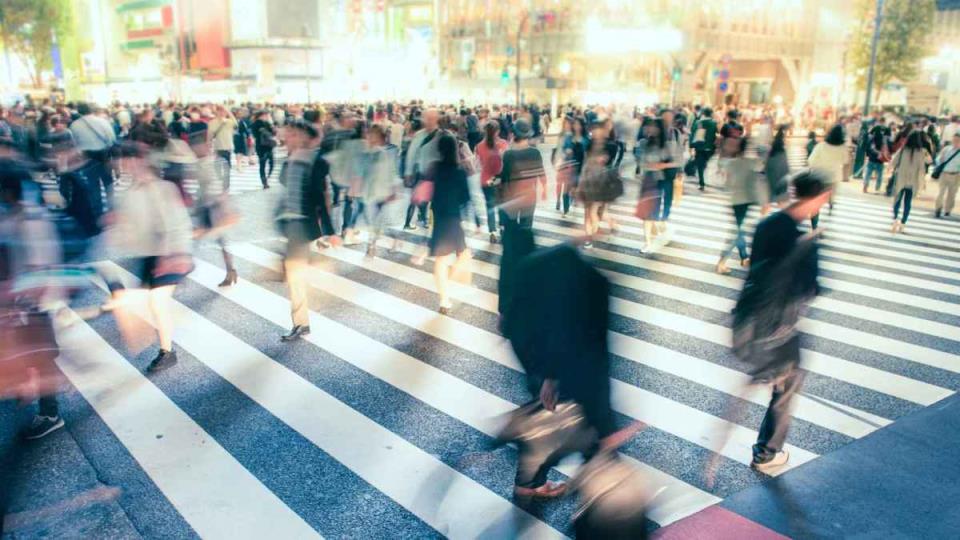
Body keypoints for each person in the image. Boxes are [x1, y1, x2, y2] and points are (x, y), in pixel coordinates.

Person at [730, 171, 831, 472]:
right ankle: (766, 453)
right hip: (782, 329)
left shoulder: (767, 225)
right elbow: (810, 290)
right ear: (819, 198)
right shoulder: (804, 242)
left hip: (752, 318)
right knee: (788, 384)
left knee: (780, 380)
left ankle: (767, 446)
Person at [110, 143, 194, 372]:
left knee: (158, 301)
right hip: (149, 257)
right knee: (150, 304)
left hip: (171, 254)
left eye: (128, 159)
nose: (124, 165)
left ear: (141, 159)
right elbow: (129, 236)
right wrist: (118, 225)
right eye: (122, 161)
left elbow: (179, 225)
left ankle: (167, 352)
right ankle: (166, 345)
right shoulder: (129, 193)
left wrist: (172, 256)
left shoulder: (164, 188)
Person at [276, 121, 339, 341]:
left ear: (303, 137)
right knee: (293, 273)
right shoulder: (291, 160)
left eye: (293, 135)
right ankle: (301, 322)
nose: (288, 138)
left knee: (294, 275)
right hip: (291, 223)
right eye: (288, 135)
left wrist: (330, 231)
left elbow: (320, 197)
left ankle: (301, 323)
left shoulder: (313, 161)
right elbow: (284, 184)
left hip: (301, 225)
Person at [497, 119, 544, 317]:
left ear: (514, 134)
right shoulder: (535, 152)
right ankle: (527, 264)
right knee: (526, 230)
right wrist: (542, 190)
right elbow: (541, 174)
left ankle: (515, 267)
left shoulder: (509, 154)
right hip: (529, 198)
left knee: (511, 236)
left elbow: (504, 178)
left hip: (512, 198)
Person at [426, 134, 472, 314]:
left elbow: (426, 191)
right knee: (464, 254)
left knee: (441, 260)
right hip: (454, 218)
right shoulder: (459, 171)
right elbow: (465, 197)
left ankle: (444, 300)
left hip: (439, 217)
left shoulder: (434, 168)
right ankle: (452, 280)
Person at [716, 137, 758, 275]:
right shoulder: (751, 163)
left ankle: (744, 257)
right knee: (738, 232)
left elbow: (727, 185)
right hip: (744, 201)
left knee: (739, 230)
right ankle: (722, 262)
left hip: (736, 201)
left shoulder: (733, 164)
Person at [579, 121, 621, 247]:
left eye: (598, 130)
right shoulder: (588, 144)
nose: (595, 133)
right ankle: (589, 237)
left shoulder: (611, 146)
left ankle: (593, 235)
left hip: (603, 183)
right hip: (588, 181)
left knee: (595, 211)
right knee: (589, 212)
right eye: (593, 130)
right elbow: (585, 163)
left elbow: (608, 163)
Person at [69, 103, 116, 208]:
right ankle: (112, 208)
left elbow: (74, 144)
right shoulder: (103, 121)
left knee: (93, 185)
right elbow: (112, 138)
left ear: (79, 111)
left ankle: (97, 210)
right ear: (91, 110)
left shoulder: (74, 125)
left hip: (87, 158)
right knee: (108, 183)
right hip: (104, 156)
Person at [403, 108, 442, 230]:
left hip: (436, 174)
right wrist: (408, 172)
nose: (428, 121)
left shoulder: (441, 135)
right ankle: (412, 221)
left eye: (431, 118)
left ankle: (428, 221)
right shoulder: (419, 135)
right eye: (427, 118)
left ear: (436, 119)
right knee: (416, 198)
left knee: (433, 200)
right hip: (421, 172)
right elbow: (411, 154)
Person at [806, 124, 846, 229]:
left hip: (819, 177)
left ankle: (814, 226)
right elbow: (846, 160)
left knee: (815, 204)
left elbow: (810, 160)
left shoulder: (821, 146)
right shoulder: (842, 147)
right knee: (830, 193)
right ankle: (831, 203)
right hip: (834, 178)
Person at [475, 120, 508, 242]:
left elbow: (477, 165)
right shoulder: (503, 144)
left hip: (485, 180)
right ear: (498, 131)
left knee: (490, 206)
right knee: (502, 205)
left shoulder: (478, 146)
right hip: (499, 179)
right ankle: (503, 228)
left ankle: (492, 232)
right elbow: (507, 162)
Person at [891, 131, 929, 234]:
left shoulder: (903, 150)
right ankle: (903, 224)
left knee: (897, 200)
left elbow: (893, 162)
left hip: (900, 179)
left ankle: (895, 220)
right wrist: (922, 182)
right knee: (907, 202)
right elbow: (922, 168)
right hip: (912, 181)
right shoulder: (921, 152)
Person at [208, 106, 237, 192]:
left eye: (223, 111)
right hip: (217, 147)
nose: (221, 113)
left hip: (227, 147)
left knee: (227, 167)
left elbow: (236, 124)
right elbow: (209, 134)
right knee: (216, 166)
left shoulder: (229, 122)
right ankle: (220, 178)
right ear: (216, 112)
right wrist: (208, 144)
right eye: (219, 111)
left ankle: (226, 185)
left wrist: (229, 112)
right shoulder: (212, 122)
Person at [763, 126, 790, 214]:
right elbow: (786, 169)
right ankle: (783, 221)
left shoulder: (771, 151)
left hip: (770, 180)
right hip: (780, 181)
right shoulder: (783, 154)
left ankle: (762, 219)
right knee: (783, 204)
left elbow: (766, 165)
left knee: (767, 202)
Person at [690, 107, 717, 191]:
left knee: (700, 165)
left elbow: (692, 134)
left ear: (703, 113)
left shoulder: (697, 123)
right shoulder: (713, 123)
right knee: (704, 163)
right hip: (710, 147)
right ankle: (704, 179)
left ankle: (702, 183)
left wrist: (691, 146)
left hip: (699, 147)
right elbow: (715, 134)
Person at [934, 132, 960, 218]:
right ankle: (938, 209)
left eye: (957, 140)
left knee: (952, 194)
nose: (955, 141)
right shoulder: (947, 149)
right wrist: (940, 160)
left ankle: (948, 210)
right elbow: (938, 159)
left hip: (955, 175)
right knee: (941, 192)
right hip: (944, 174)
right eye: (954, 139)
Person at [251, 110, 277, 189]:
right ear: (262, 115)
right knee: (266, 164)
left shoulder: (267, 123)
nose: (267, 117)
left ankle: (266, 179)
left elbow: (273, 132)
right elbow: (271, 133)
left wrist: (271, 124)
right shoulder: (256, 123)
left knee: (267, 164)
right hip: (263, 146)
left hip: (265, 146)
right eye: (266, 115)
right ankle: (265, 181)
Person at [863, 128, 888, 193]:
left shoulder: (872, 140)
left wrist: (868, 155)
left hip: (871, 159)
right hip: (880, 160)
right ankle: (877, 188)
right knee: (879, 175)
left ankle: (865, 187)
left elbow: (869, 148)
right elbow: (886, 149)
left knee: (868, 174)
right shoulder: (883, 140)